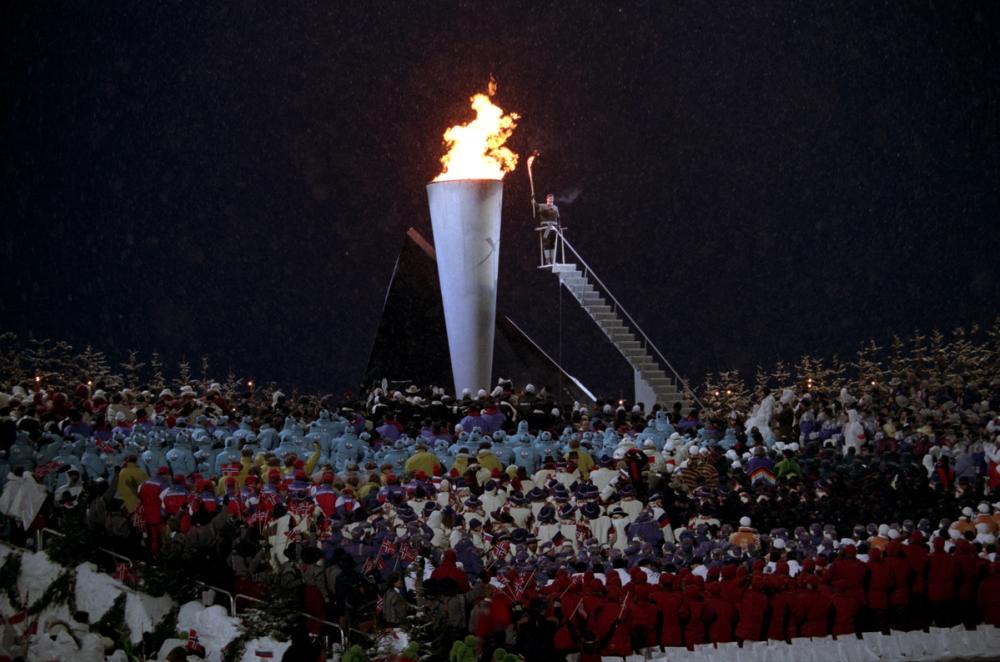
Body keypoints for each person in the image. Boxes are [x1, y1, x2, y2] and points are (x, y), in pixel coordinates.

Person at [536, 193, 561, 265]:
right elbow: (536, 205)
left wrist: (559, 226)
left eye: (552, 199)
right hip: (547, 226)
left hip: (554, 227)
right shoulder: (543, 206)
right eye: (550, 199)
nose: (551, 200)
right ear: (547, 199)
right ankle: (547, 260)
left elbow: (558, 218)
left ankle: (552, 260)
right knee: (546, 242)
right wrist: (533, 200)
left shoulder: (555, 207)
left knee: (552, 243)